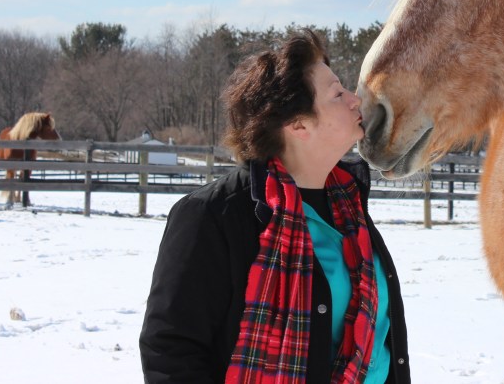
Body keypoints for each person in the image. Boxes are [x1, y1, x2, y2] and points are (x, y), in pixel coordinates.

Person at [140, 31, 410, 383]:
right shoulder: (212, 216)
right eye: (337, 94)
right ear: (298, 124)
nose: (354, 99)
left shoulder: (349, 207)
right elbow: (171, 351)